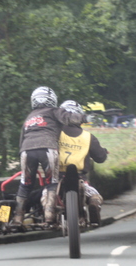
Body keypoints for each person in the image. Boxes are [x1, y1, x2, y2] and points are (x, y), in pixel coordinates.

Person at [15, 87, 85, 227]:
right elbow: (69, 118)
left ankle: (17, 218)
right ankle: (49, 215)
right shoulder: (54, 111)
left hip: (26, 150)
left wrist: (22, 152)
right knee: (51, 182)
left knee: (25, 184)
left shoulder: (30, 117)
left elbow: (22, 139)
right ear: (52, 99)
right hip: (48, 148)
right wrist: (85, 117)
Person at [42, 100, 108, 226]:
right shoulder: (88, 137)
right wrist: (104, 152)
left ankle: (48, 212)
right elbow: (100, 158)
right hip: (80, 178)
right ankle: (93, 204)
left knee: (46, 195)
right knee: (94, 195)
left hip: (56, 178)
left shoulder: (54, 133)